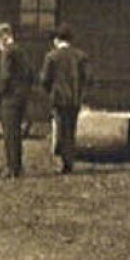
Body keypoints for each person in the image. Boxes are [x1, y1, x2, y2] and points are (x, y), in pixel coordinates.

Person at [40, 23, 90, 174]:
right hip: (74, 99)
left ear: (57, 40)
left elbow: (45, 79)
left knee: (60, 130)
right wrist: (81, 94)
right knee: (71, 130)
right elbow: (88, 78)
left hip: (58, 99)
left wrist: (50, 92)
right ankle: (69, 162)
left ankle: (62, 162)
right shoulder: (81, 56)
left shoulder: (51, 57)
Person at [0, 23, 34, 178]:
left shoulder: (7, 52)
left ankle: (11, 167)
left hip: (9, 99)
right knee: (16, 133)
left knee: (9, 134)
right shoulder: (21, 51)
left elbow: (4, 77)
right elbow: (30, 74)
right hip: (21, 97)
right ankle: (18, 166)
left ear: (2, 37)